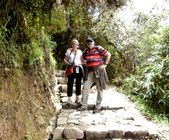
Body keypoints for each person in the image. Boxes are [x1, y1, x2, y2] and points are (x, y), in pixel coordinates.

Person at [78, 36, 111, 113]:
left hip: (99, 71)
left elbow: (108, 54)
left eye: (91, 43)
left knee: (100, 89)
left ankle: (98, 107)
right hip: (89, 72)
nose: (90, 44)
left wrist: (105, 64)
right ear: (87, 44)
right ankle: (84, 106)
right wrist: (85, 63)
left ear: (93, 42)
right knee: (85, 87)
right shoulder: (86, 51)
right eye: (88, 43)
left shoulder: (98, 48)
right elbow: (81, 58)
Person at [64, 39, 83, 105]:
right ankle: (69, 98)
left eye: (76, 44)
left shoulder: (80, 51)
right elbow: (65, 60)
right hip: (71, 68)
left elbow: (81, 60)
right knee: (70, 83)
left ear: (78, 45)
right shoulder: (69, 51)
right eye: (74, 44)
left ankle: (77, 98)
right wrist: (70, 63)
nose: (75, 45)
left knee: (78, 83)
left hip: (78, 68)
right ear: (72, 45)